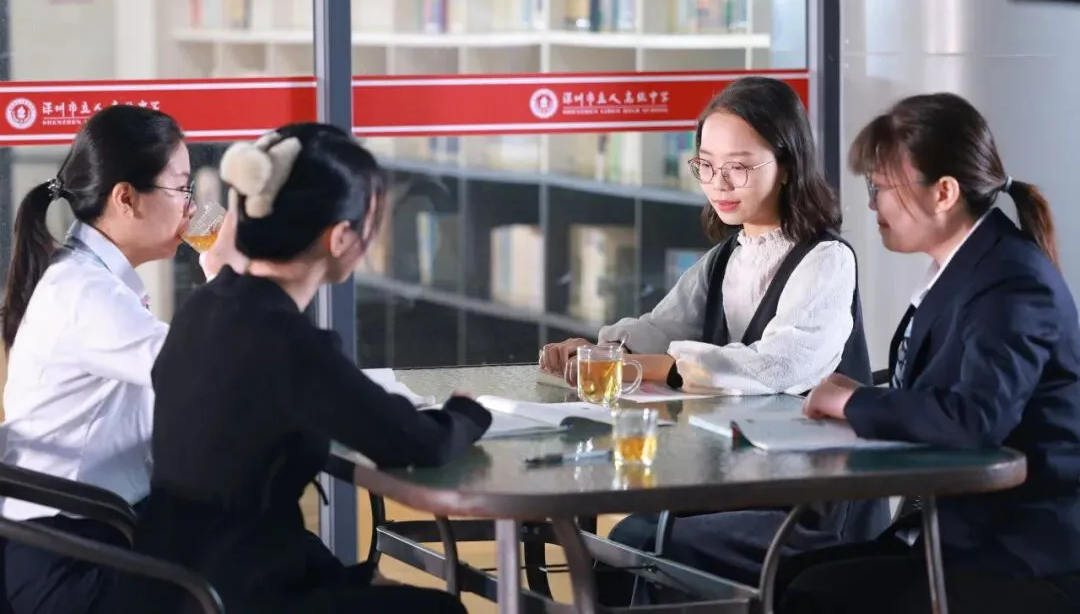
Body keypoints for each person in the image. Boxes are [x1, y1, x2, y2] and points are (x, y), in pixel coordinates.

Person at [106, 124, 491, 614]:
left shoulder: (206, 306)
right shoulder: (287, 341)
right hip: (236, 596)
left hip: (170, 583)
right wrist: (467, 413)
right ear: (341, 237)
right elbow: (417, 442)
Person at [540, 76, 890, 602]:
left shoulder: (827, 260)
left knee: (642, 542)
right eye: (706, 165)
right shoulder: (726, 258)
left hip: (810, 503)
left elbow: (777, 366)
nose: (719, 183)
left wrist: (657, 366)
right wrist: (601, 350)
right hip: (738, 483)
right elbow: (662, 327)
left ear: (787, 165)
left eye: (738, 167)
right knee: (622, 542)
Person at [779, 93, 1080, 614]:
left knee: (810, 591)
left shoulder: (1011, 280)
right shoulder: (969, 267)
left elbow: (974, 417)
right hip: (958, 529)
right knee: (794, 576)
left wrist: (853, 403)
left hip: (1020, 546)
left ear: (944, 192)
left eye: (880, 188)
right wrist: (862, 398)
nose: (872, 204)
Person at [0, 105, 241, 614]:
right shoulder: (86, 294)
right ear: (126, 198)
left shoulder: (90, 279)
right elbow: (207, 371)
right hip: (71, 564)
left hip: (90, 536)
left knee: (255, 552)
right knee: (256, 577)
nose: (192, 209)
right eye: (182, 189)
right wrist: (225, 276)